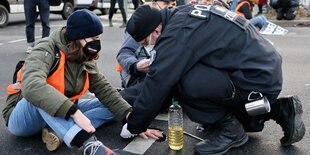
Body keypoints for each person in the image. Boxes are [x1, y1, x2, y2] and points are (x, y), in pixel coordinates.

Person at [119, 5, 305, 155]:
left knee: (183, 82)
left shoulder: (176, 35)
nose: (148, 46)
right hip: (261, 77)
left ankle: (231, 132)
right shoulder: (183, 14)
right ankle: (279, 109)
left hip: (253, 82)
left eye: (146, 42)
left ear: (156, 30)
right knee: (204, 95)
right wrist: (122, 98)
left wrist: (135, 124)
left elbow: (158, 83)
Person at [2, 9, 162, 155]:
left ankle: (60, 131)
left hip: (61, 108)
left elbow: (104, 89)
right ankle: (91, 146)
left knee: (114, 104)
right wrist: (74, 112)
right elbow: (31, 86)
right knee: (41, 92)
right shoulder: (46, 48)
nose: (97, 43)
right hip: (22, 117)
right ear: (78, 36)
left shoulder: (84, 53)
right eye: (94, 38)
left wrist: (133, 121)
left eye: (98, 38)